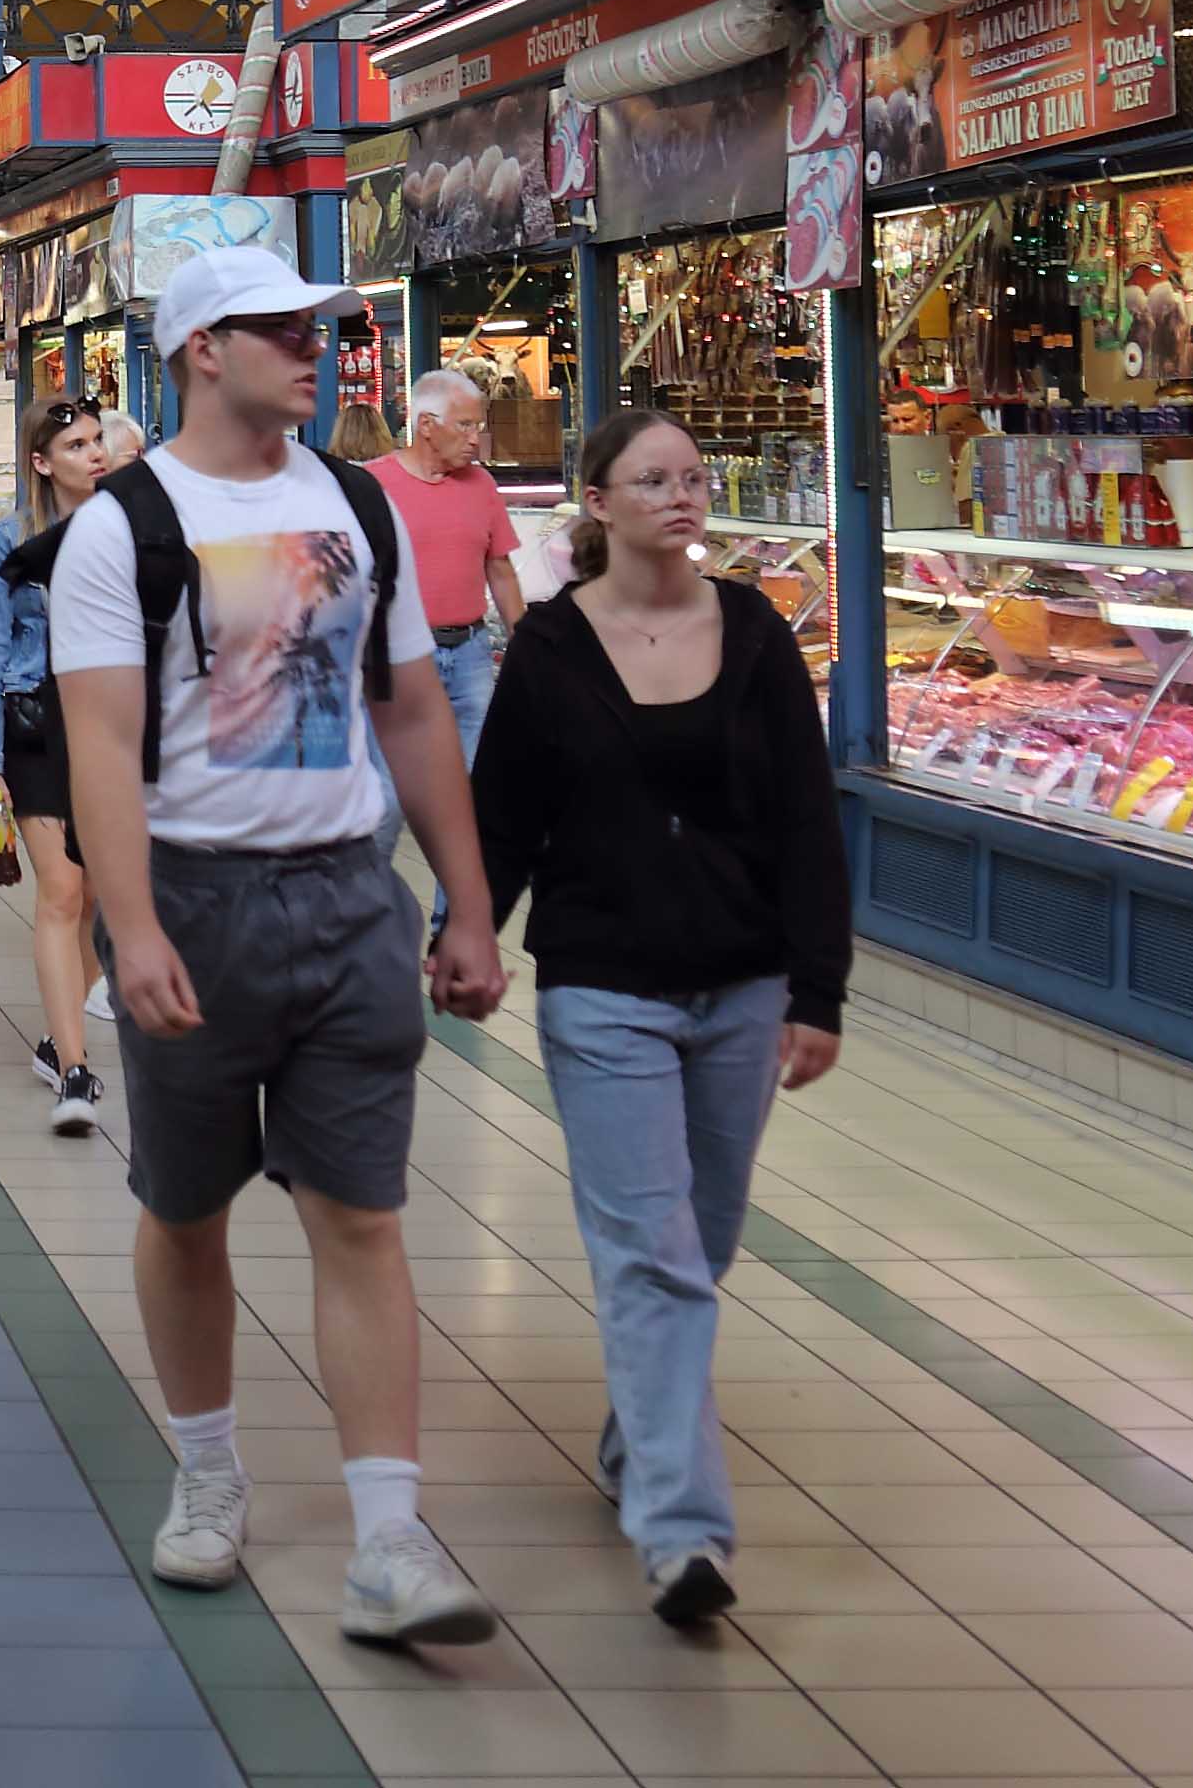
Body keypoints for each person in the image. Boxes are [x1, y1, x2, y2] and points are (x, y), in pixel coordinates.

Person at [53, 244, 508, 1652]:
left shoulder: (356, 502)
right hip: (193, 898)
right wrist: (130, 926)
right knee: (187, 1209)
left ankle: (388, 1539)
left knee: (361, 1213)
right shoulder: (124, 525)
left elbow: (412, 708)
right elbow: (101, 744)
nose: (317, 352)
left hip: (348, 897)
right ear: (203, 349)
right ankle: (207, 1469)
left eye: (321, 330)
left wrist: (467, 902)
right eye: (283, 331)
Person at [468, 407, 852, 1630]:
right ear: (597, 499)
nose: (682, 495)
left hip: (742, 980)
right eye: (653, 478)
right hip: (601, 984)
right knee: (651, 1249)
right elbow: (501, 814)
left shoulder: (754, 630)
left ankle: (640, 1433)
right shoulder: (550, 647)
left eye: (693, 476)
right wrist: (465, 928)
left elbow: (807, 816)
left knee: (706, 1238)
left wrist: (818, 985)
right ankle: (683, 1531)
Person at [0, 406, 121, 1135]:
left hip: (110, 726)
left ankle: (56, 1036)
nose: (94, 454)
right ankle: (75, 1067)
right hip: (33, 724)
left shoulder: (127, 531)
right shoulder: (13, 539)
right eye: (76, 444)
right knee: (61, 890)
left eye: (97, 441)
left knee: (96, 896)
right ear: (41, 461)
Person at [358, 372, 529, 754]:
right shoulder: (372, 486)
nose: (475, 439)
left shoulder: (482, 486)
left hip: (472, 654)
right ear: (426, 425)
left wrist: (525, 644)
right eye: (465, 425)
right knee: (392, 775)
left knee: (473, 771)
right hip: (398, 654)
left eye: (478, 426)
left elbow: (500, 571)